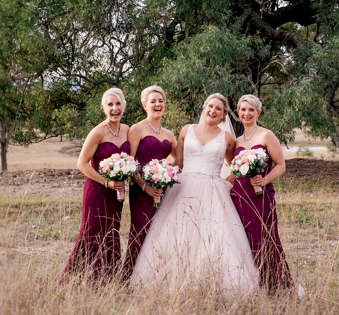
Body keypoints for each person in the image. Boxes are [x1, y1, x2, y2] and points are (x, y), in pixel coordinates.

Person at [131, 93, 259, 295]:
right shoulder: (186, 130)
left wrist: (226, 183)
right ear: (204, 107)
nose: (213, 111)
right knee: (176, 234)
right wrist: (159, 173)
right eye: (210, 106)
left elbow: (236, 166)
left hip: (213, 191)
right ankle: (173, 283)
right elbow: (178, 162)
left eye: (218, 108)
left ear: (224, 114)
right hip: (184, 187)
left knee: (214, 236)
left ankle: (211, 283)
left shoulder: (226, 138)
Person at [61, 87, 132, 284]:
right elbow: (81, 164)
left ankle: (108, 279)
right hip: (97, 190)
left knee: (111, 231)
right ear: (103, 107)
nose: (114, 108)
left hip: (117, 192)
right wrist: (106, 181)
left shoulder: (127, 130)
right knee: (92, 232)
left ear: (124, 106)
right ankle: (85, 279)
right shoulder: (97, 132)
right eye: (110, 104)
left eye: (118, 104)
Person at [229, 94, 295, 294]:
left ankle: (275, 284)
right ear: (238, 112)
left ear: (258, 112)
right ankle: (252, 283)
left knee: (265, 238)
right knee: (244, 239)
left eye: (251, 110)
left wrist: (264, 181)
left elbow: (281, 165)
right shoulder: (237, 140)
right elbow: (233, 172)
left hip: (261, 197)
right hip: (238, 196)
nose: (246, 113)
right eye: (243, 110)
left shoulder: (266, 135)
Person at [124, 85, 175, 277]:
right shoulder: (137, 129)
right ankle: (131, 275)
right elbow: (130, 164)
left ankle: (155, 275)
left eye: (161, 101)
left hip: (162, 190)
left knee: (160, 230)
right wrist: (145, 186)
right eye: (153, 101)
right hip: (141, 190)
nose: (158, 104)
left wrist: (167, 174)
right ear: (145, 105)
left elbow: (179, 159)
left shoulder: (169, 134)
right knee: (141, 229)